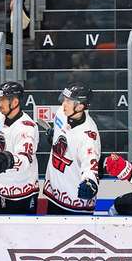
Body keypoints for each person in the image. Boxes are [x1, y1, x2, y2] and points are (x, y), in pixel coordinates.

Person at [41, 83, 101, 215]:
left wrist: (89, 181)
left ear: (80, 106)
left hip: (75, 202)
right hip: (54, 195)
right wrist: (54, 137)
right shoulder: (61, 114)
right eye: (64, 100)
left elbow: (90, 164)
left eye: (68, 101)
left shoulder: (88, 135)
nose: (64, 104)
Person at [0, 81, 39, 214]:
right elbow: (1, 143)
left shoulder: (27, 127)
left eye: (3, 100)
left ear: (15, 102)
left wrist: (7, 160)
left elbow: (25, 159)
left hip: (21, 195)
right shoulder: (0, 118)